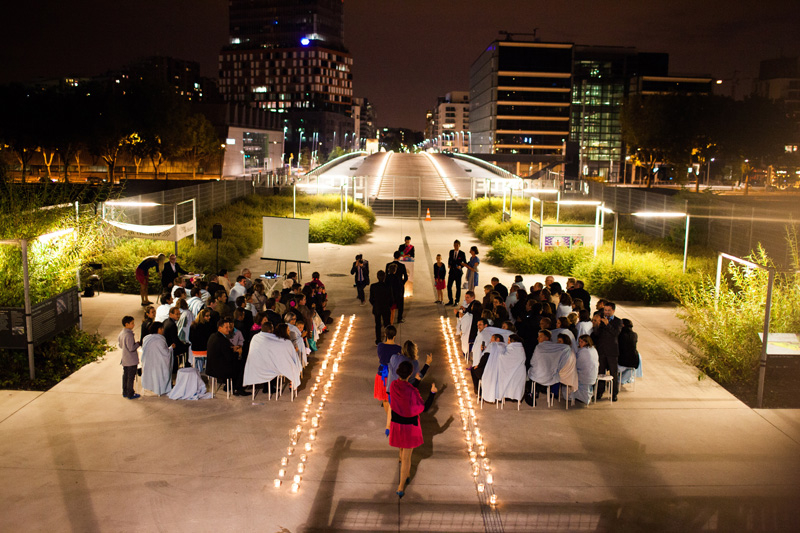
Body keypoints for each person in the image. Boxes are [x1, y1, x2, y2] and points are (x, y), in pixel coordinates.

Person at [389, 360, 437, 498]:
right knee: (407, 458)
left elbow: (406, 389)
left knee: (401, 449)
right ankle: (400, 486)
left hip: (396, 423)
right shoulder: (412, 391)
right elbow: (423, 407)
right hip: (409, 427)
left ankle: (405, 470)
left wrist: (416, 381)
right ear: (410, 374)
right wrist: (432, 393)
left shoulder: (393, 385)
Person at [244, 322, 302, 395]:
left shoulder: (255, 338)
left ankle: (269, 387)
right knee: (292, 366)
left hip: (255, 365)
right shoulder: (279, 341)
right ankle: (292, 384)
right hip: (270, 366)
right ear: (270, 331)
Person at [206, 317, 246, 396]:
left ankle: (231, 386)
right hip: (219, 369)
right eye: (226, 327)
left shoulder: (213, 336)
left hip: (210, 367)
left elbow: (222, 351)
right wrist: (238, 353)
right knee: (241, 365)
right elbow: (230, 357)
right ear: (220, 328)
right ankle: (237, 388)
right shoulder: (222, 340)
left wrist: (232, 349)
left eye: (229, 327)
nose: (229, 329)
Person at [592, 301, 622, 401]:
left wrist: (608, 324)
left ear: (613, 311)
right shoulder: (601, 319)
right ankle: (599, 392)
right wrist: (597, 324)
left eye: (609, 310)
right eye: (605, 310)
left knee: (613, 373)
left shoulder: (618, 321)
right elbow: (596, 334)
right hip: (601, 350)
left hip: (612, 351)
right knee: (600, 372)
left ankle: (614, 394)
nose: (606, 312)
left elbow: (616, 333)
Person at [375, 325, 402, 435]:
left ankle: (389, 419)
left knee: (385, 399)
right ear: (395, 336)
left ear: (385, 335)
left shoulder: (380, 346)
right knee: (393, 399)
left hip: (382, 374)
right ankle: (393, 420)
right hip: (393, 375)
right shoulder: (398, 349)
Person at [141, 321, 174, 396]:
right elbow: (165, 353)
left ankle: (150, 388)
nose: (163, 330)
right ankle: (161, 389)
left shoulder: (146, 338)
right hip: (158, 363)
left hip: (148, 362)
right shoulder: (161, 339)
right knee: (159, 376)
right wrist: (171, 348)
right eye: (162, 328)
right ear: (159, 329)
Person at [570, 335, 599, 405]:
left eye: (582, 342)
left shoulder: (583, 351)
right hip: (593, 374)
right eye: (579, 341)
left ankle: (573, 397)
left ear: (587, 342)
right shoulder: (593, 349)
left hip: (585, 374)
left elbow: (578, 364)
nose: (580, 343)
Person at [118, 316, 141, 399]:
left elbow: (120, 345)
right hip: (131, 360)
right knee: (131, 377)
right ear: (126, 324)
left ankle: (125, 392)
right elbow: (131, 348)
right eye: (132, 323)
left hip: (125, 358)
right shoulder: (129, 335)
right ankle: (130, 393)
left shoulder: (121, 333)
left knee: (125, 376)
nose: (134, 325)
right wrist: (137, 344)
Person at [369, 270, 393, 344]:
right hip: (386, 308)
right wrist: (389, 305)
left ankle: (378, 340)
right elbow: (391, 298)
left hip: (377, 308)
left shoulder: (373, 286)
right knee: (387, 324)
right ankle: (388, 338)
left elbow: (371, 299)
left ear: (377, 277)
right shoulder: (388, 286)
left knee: (378, 324)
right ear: (384, 277)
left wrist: (375, 304)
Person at [385, 252, 408, 322]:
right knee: (400, 302)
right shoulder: (402, 266)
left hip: (390, 286)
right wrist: (402, 283)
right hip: (399, 287)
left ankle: (389, 317)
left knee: (390, 301)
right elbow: (406, 277)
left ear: (393, 256)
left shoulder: (388, 265)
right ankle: (399, 318)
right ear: (400, 257)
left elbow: (386, 276)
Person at [189, 309, 214, 373]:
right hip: (204, 349)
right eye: (207, 316)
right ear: (203, 317)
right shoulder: (207, 326)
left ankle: (198, 369)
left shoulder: (193, 325)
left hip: (194, 349)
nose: (209, 317)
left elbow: (190, 338)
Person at [618, 318, 640, 386]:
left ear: (623, 325)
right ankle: (625, 379)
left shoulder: (620, 335)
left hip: (622, 362)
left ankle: (618, 379)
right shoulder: (635, 335)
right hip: (634, 362)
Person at [446, 240, 467, 306]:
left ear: (459, 246)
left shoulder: (462, 253)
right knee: (449, 286)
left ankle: (457, 300)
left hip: (458, 272)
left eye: (457, 245)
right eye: (455, 245)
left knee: (458, 287)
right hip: (452, 271)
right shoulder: (451, 252)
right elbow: (449, 259)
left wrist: (460, 266)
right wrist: (449, 264)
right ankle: (450, 300)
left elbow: (465, 262)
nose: (456, 247)